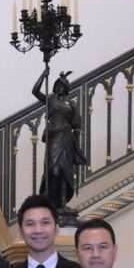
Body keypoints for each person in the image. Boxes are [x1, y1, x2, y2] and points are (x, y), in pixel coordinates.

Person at [32, 66, 88, 215]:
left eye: (63, 86)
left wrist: (77, 131)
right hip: (54, 138)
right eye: (58, 85)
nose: (60, 88)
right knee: (53, 170)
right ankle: (49, 201)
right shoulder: (50, 100)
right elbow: (35, 91)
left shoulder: (71, 104)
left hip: (66, 139)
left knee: (64, 171)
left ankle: (62, 204)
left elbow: (76, 123)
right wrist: (43, 75)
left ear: (66, 88)